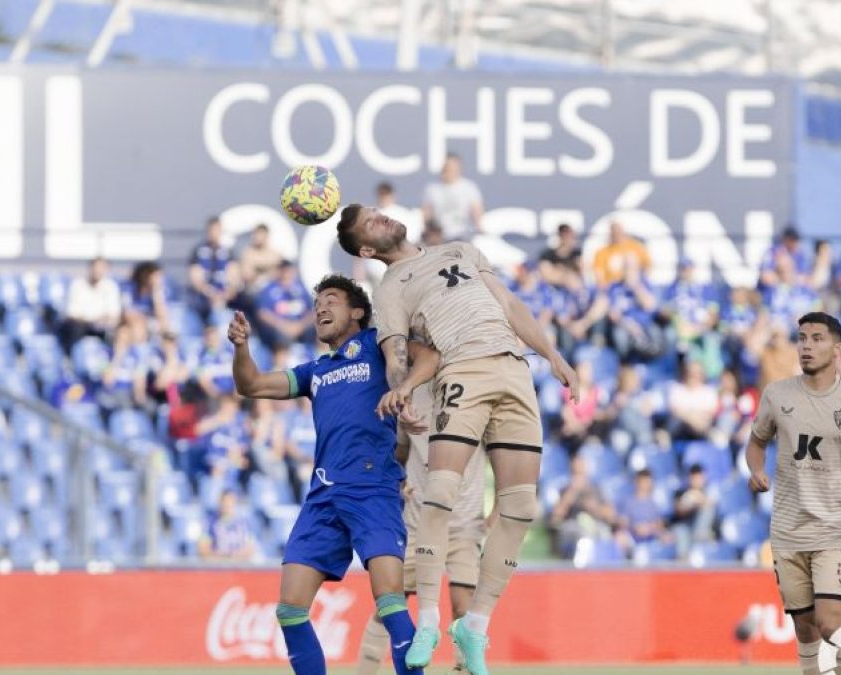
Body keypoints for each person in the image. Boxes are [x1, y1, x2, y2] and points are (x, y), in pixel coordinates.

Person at [337, 203, 580, 674]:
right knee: (441, 493)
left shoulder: (461, 249)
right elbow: (395, 352)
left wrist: (552, 355)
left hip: (514, 368)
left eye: (377, 211)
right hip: (460, 371)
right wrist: (401, 389)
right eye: (371, 222)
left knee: (521, 506)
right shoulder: (390, 287)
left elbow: (510, 305)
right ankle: (428, 619)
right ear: (366, 248)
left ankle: (475, 627)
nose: (383, 217)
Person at [229, 274, 438, 675]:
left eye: (332, 300)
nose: (321, 308)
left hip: (372, 487)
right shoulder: (316, 370)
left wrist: (405, 388)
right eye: (317, 303)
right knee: (290, 609)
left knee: (390, 598)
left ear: (357, 312)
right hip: (323, 495)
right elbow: (250, 383)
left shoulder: (380, 345)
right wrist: (241, 347)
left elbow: (429, 357)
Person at [745, 312, 841, 675]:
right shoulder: (777, 394)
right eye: (802, 338)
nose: (807, 346)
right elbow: (755, 442)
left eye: (817, 338)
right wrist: (756, 470)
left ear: (837, 348)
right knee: (806, 629)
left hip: (834, 528)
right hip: (787, 529)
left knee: (830, 622)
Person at [355, 380, 486, 674]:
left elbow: (503, 456)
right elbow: (398, 454)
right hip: (418, 522)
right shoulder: (413, 398)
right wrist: (396, 482)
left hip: (463, 524)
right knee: (390, 604)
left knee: (463, 607)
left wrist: (500, 511)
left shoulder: (479, 395)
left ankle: (464, 668)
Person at [421, 154, 483, 242]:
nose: (449, 170)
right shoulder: (432, 189)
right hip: (440, 237)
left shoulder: (469, 187)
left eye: (452, 168)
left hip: (463, 235)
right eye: (447, 167)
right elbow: (427, 212)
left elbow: (476, 210)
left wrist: (479, 227)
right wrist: (427, 230)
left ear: (459, 169)